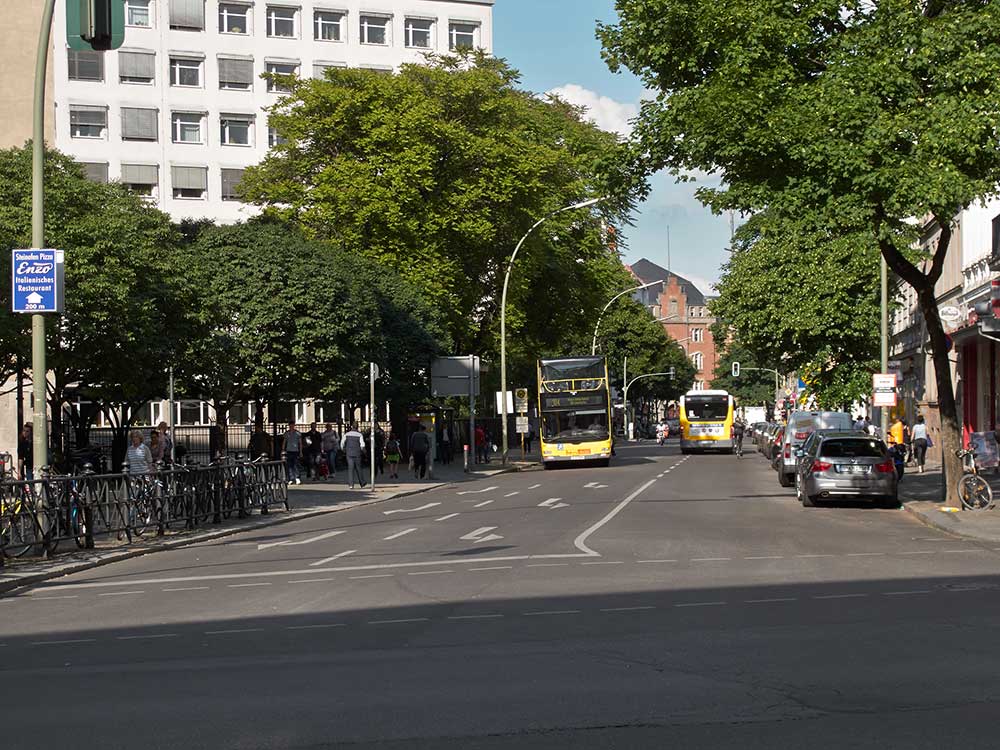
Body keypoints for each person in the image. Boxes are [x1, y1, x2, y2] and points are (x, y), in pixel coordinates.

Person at [341, 424, 366, 488]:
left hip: (349, 453)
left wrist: (343, 450)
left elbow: (342, 443)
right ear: (357, 427)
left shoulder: (347, 434)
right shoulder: (360, 435)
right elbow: (362, 445)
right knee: (358, 468)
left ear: (352, 427)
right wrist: (364, 451)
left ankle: (351, 484)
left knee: (350, 468)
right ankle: (362, 482)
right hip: (357, 453)